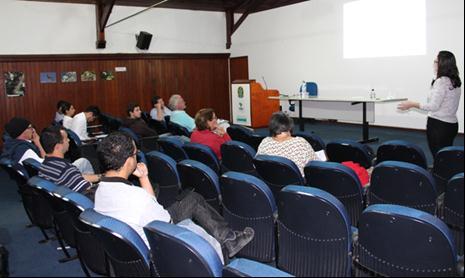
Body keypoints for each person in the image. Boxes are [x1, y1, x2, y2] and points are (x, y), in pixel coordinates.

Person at [94, 132, 254, 258]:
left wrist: (143, 177)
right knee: (193, 199)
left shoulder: (101, 190)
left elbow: (151, 206)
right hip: (155, 242)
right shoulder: (136, 197)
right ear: (129, 161)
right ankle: (229, 239)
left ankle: (228, 238)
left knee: (190, 198)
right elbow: (166, 223)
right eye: (135, 154)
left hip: (133, 243)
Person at [398, 51, 462, 156]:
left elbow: (433, 106)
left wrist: (412, 104)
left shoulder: (441, 81)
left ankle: (439, 171)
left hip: (438, 126)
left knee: (438, 154)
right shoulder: (455, 81)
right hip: (451, 125)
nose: (434, 64)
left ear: (443, 64)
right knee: (446, 154)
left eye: (436, 61)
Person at [38, 126, 100, 197]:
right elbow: (90, 191)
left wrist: (102, 177)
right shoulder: (66, 169)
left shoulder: (45, 164)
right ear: (58, 146)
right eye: (66, 139)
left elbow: (77, 177)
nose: (68, 140)